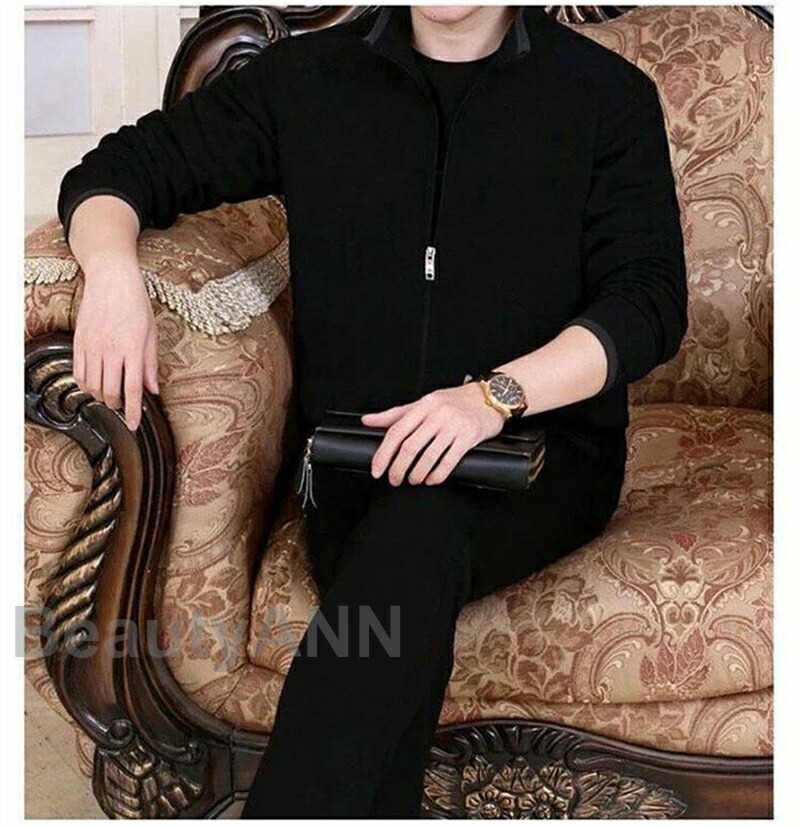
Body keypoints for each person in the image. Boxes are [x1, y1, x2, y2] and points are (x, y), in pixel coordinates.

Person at [56, 4, 687, 818]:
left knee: (418, 534)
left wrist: (493, 397)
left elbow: (648, 302)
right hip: (357, 460)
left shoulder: (604, 94)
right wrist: (112, 275)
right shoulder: (308, 79)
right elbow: (120, 169)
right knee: (402, 558)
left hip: (538, 457)